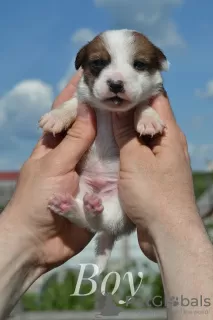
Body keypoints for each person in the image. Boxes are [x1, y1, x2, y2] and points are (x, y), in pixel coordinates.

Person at [0, 70, 212, 320]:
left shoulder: (144, 101)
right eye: (101, 64)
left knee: (115, 212)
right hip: (86, 183)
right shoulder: (87, 95)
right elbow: (74, 105)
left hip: (118, 193)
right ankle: (80, 210)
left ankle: (84, 211)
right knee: (86, 201)